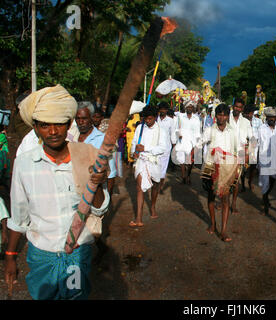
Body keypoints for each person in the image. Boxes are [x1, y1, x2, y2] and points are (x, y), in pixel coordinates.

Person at [5, 85, 110, 300]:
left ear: (69, 124)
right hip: (42, 256)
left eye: (59, 124)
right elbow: (19, 215)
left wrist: (98, 182)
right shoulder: (25, 163)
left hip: (78, 252)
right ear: (35, 127)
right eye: (45, 125)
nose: (53, 132)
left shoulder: (86, 155)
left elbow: (100, 207)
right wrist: (10, 256)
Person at [199, 104, 239, 242]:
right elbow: (200, 143)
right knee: (210, 196)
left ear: (228, 116)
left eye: (224, 115)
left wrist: (238, 164)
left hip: (227, 168)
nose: (222, 118)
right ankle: (213, 223)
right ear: (215, 116)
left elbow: (237, 148)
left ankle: (223, 230)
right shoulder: (210, 130)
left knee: (225, 199)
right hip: (211, 167)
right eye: (219, 115)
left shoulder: (233, 132)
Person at [130, 106, 167, 226]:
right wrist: (134, 151)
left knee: (155, 185)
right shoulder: (140, 128)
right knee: (139, 188)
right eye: (146, 119)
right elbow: (134, 143)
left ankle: (152, 206)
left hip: (154, 162)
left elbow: (162, 148)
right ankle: (139, 218)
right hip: (141, 161)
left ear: (155, 118)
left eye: (150, 119)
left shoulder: (161, 130)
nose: (148, 121)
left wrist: (146, 148)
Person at [75, 102, 117, 196]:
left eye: (84, 118)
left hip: (95, 193)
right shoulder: (71, 137)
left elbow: (111, 173)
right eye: (78, 118)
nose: (80, 122)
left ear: (91, 118)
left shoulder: (102, 139)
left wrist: (107, 201)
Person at [258, 107, 276, 214]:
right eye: (269, 117)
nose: (271, 119)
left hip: (275, 159)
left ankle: (265, 195)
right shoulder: (261, 128)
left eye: (273, 117)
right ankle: (265, 202)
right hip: (264, 158)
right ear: (266, 117)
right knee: (265, 181)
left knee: (273, 180)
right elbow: (258, 143)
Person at [228, 98, 253, 214]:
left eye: (240, 107)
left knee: (236, 181)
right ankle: (224, 201)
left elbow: (252, 140)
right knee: (225, 180)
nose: (237, 109)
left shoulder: (246, 122)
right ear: (233, 106)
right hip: (226, 153)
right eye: (236, 106)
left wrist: (248, 154)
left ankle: (233, 204)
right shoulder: (226, 118)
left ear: (242, 109)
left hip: (240, 154)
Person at [173, 100, 201, 184]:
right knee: (182, 160)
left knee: (190, 162)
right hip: (182, 141)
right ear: (185, 108)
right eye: (188, 107)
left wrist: (197, 143)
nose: (189, 108)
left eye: (191, 107)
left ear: (193, 109)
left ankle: (188, 174)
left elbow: (198, 132)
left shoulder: (196, 119)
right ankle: (183, 176)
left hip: (192, 142)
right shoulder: (180, 117)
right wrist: (179, 135)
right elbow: (177, 128)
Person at [157, 102, 176, 194]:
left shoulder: (170, 121)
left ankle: (160, 187)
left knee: (163, 169)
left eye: (164, 109)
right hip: (155, 147)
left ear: (167, 110)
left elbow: (173, 134)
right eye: (161, 109)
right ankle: (154, 185)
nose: (163, 111)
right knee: (155, 167)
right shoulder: (155, 119)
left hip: (166, 148)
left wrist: (174, 146)